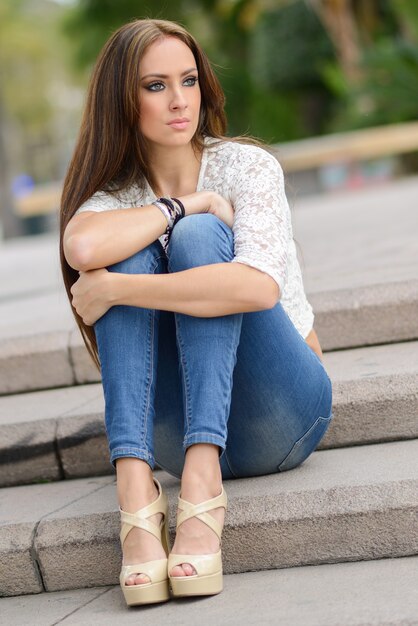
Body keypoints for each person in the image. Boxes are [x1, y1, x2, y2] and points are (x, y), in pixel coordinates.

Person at [60, 18, 333, 607]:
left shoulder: (246, 167)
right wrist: (182, 204)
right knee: (140, 245)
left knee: (199, 237)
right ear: (122, 101)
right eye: (155, 86)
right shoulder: (114, 199)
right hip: (169, 435)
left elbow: (259, 289)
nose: (180, 100)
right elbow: (81, 248)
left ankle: (203, 482)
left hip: (284, 409)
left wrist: (120, 290)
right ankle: (135, 493)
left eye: (188, 80)